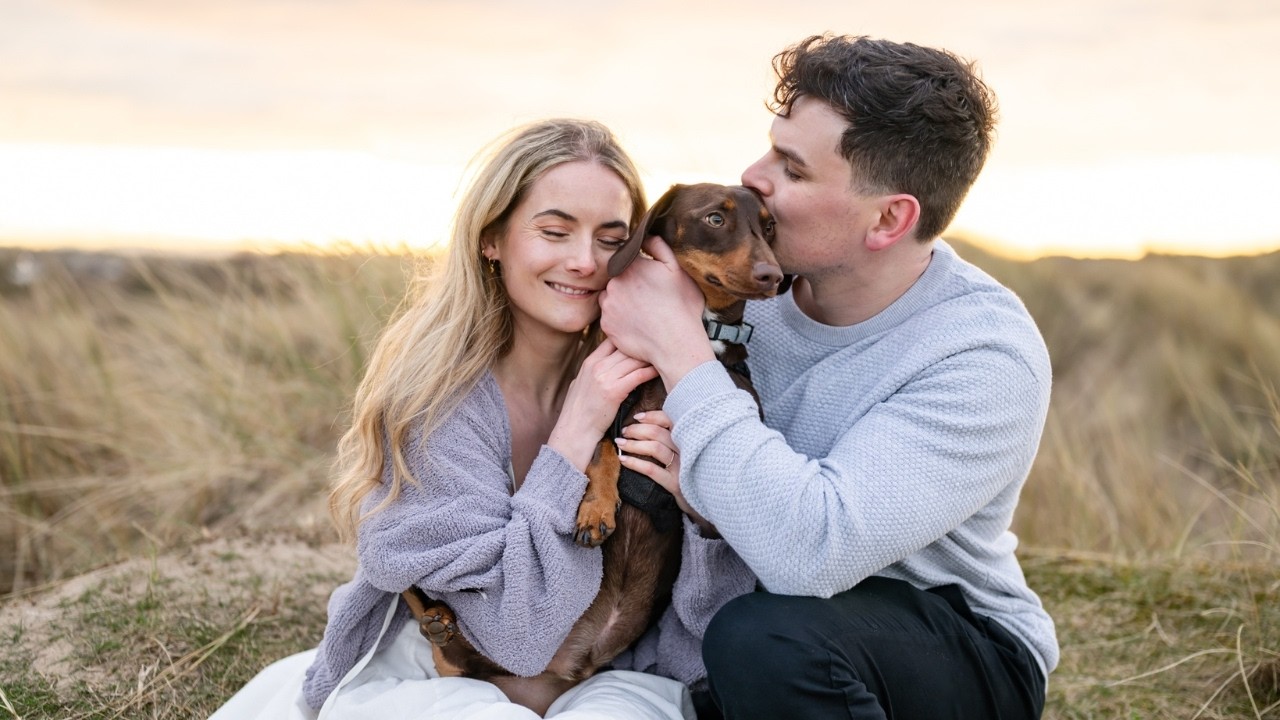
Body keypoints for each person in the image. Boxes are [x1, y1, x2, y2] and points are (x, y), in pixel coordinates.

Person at [209, 118, 755, 720]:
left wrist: (704, 513)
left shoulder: (656, 392)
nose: (584, 261)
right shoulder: (436, 402)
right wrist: (574, 433)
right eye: (554, 231)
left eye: (610, 238)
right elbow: (517, 639)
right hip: (444, 682)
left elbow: (699, 629)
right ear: (492, 239)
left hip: (609, 678)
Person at [600, 34, 1057, 719]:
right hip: (747, 631)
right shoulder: (738, 290)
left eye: (791, 167)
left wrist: (680, 351)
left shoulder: (982, 353)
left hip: (950, 642)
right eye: (768, 148)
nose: (754, 175)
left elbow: (808, 552)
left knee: (767, 639)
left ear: (889, 219)